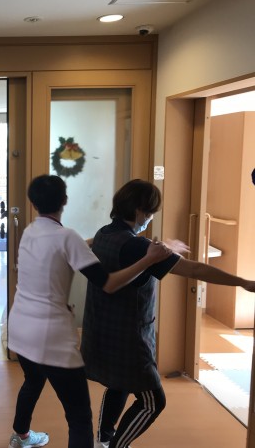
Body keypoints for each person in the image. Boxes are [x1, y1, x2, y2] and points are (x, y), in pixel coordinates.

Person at [81, 179, 255, 448]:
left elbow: (130, 253)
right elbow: (195, 270)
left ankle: (103, 439)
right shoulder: (138, 248)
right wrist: (241, 282)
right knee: (153, 402)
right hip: (129, 339)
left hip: (102, 330)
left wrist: (166, 249)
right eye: (150, 213)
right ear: (139, 211)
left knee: (118, 383)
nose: (150, 219)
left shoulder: (103, 234)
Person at [7, 175, 172, 448]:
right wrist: (148, 259)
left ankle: (20, 436)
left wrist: (101, 238)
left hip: (20, 326)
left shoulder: (30, 231)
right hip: (50, 336)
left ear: (33, 203)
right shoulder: (67, 237)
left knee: (33, 381)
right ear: (64, 200)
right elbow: (108, 283)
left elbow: (63, 254)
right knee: (79, 417)